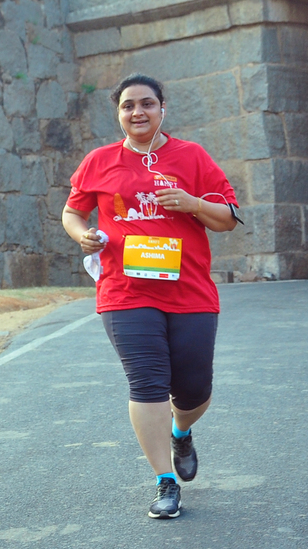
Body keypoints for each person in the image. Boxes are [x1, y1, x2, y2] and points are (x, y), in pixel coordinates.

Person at [61, 75, 240, 519]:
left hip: (190, 291)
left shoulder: (192, 156)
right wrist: (83, 235)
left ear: (163, 109)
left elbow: (228, 218)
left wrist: (193, 203)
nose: (137, 112)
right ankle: (165, 480)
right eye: (128, 106)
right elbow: (72, 211)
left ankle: (181, 431)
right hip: (125, 291)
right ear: (118, 113)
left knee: (194, 389)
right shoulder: (99, 161)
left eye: (146, 104)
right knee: (146, 382)